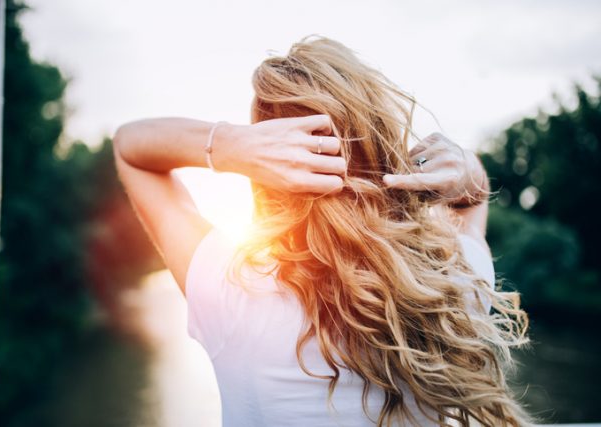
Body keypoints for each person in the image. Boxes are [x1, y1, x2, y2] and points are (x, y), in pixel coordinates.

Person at [112, 36, 530, 427]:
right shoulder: (452, 282)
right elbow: (473, 200)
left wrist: (229, 145)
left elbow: (131, 147)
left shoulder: (230, 290)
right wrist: (466, 165)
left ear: (265, 164)